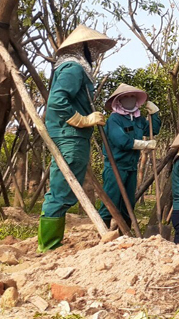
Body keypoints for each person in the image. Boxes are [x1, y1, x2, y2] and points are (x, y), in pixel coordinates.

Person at [39, 25, 116, 252]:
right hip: (69, 135)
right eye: (92, 47)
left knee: (65, 188)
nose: (96, 52)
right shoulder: (73, 68)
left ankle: (51, 244)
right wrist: (83, 120)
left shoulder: (74, 68)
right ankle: (49, 247)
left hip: (73, 135)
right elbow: (57, 102)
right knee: (62, 191)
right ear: (83, 48)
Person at [98, 83, 162, 229]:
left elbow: (154, 130)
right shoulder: (114, 120)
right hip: (116, 166)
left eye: (132, 96)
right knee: (111, 200)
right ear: (119, 101)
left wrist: (155, 114)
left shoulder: (138, 119)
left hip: (131, 167)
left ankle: (124, 233)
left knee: (128, 203)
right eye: (125, 97)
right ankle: (102, 232)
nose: (129, 99)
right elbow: (121, 141)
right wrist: (145, 145)